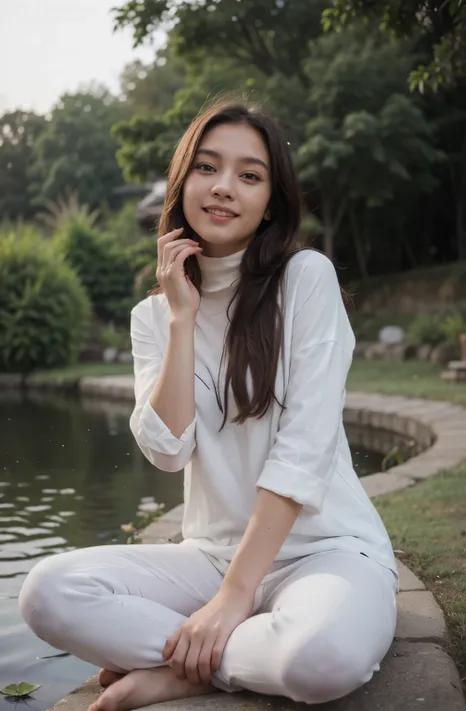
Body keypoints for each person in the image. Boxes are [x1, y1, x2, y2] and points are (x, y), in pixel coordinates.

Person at [19, 100, 398, 711]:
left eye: (249, 175)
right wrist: (182, 318)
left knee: (322, 659)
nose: (224, 188)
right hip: (207, 555)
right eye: (207, 168)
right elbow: (168, 454)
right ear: (182, 181)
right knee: (47, 592)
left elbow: (305, 450)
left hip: (326, 551)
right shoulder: (156, 315)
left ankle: (186, 667)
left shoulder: (307, 279)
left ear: (271, 200)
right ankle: (220, 660)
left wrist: (232, 600)